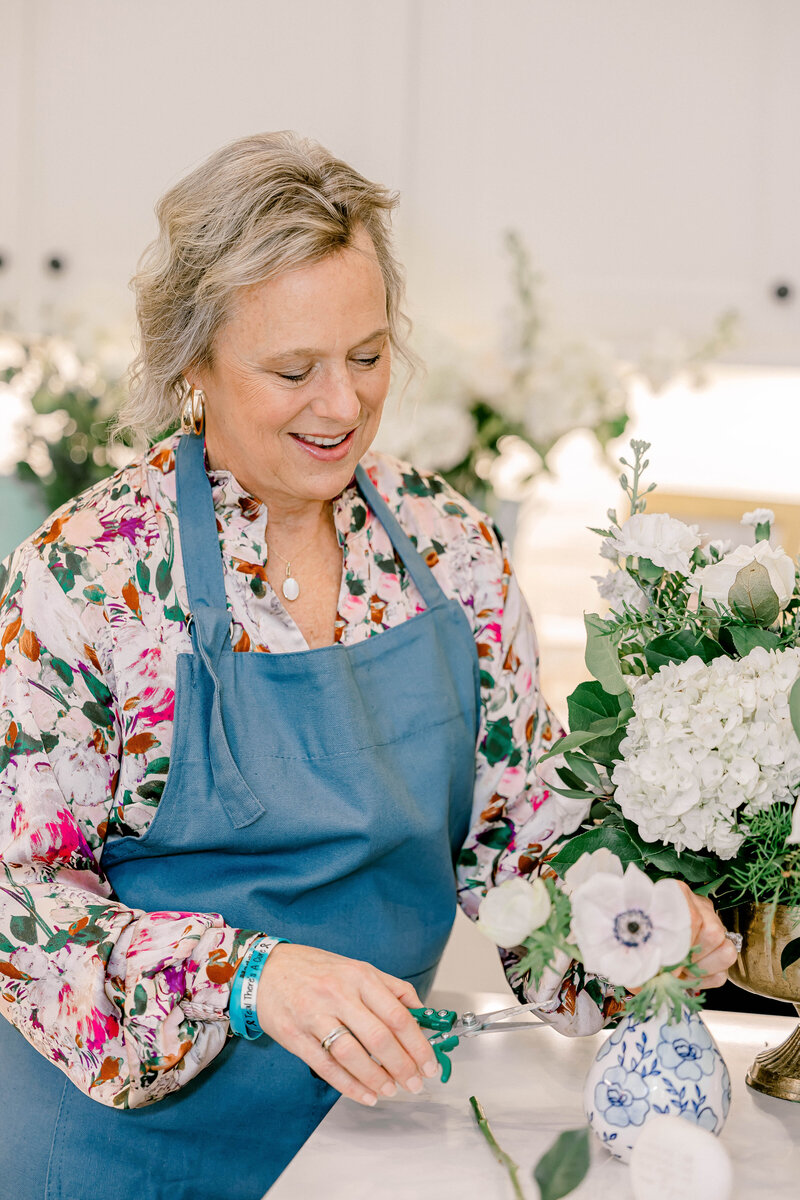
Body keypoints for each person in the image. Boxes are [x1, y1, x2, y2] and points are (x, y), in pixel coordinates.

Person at [0, 132, 736, 1200]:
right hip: (119, 1157)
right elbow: (21, 901)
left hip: (366, 1143)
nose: (341, 406)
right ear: (190, 366)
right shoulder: (84, 579)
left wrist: (638, 936)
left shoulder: (449, 552)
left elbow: (521, 842)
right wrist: (249, 976)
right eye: (292, 370)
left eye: (367, 355)